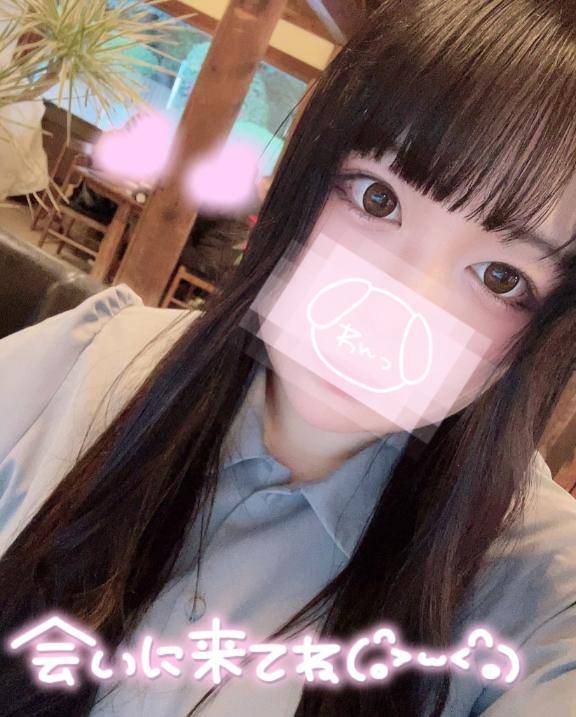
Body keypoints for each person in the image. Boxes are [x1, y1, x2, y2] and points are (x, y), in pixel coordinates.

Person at [0, 1, 576, 715]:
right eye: (377, 198)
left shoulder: (541, 600)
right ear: (302, 179)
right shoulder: (86, 362)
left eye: (500, 278)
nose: (394, 306)